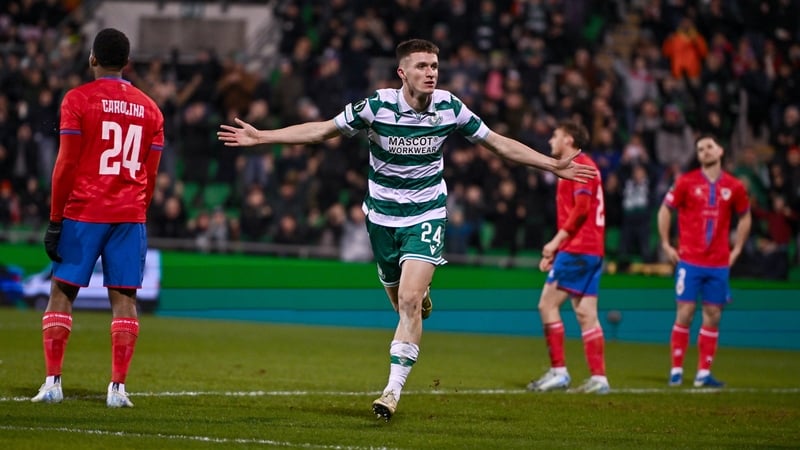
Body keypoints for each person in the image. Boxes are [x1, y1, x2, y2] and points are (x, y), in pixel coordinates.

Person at [218, 39, 596, 421]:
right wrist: (263, 136)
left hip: (426, 213)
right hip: (382, 218)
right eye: (421, 66)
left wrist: (551, 164)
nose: (431, 73)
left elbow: (497, 143)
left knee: (410, 301)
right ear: (402, 72)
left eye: (434, 66)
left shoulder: (450, 107)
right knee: (402, 305)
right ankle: (417, 297)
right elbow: (322, 130)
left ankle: (391, 391)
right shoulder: (376, 106)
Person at [31, 28, 165, 408]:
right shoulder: (152, 110)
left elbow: (66, 164)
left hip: (84, 211)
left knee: (62, 292)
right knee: (124, 299)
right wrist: (137, 211)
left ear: (92, 58)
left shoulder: (77, 100)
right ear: (127, 63)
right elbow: (151, 174)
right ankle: (117, 389)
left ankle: (53, 383)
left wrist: (56, 219)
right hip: (129, 215)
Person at [657, 134, 751, 388]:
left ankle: (703, 373)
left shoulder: (734, 186)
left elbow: (745, 216)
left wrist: (737, 248)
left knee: (713, 315)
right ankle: (676, 369)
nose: (705, 151)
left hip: (719, 263)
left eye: (709, 147)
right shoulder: (685, 182)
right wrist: (665, 243)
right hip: (690, 260)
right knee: (685, 313)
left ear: (720, 151)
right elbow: (665, 209)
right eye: (700, 149)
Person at [526, 120, 609, 394]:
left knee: (546, 305)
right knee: (586, 313)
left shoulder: (580, 166)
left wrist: (555, 243)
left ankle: (559, 372)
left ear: (569, 139)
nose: (551, 140)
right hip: (590, 248)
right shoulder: (577, 167)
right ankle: (599, 379)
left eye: (555, 135)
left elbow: (582, 210)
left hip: (579, 248)